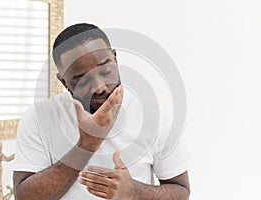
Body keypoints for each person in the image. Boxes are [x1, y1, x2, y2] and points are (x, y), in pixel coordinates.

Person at [12, 23, 190, 200]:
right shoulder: (39, 117)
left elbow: (181, 191)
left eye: (105, 70)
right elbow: (24, 196)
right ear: (64, 82)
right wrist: (88, 143)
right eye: (82, 79)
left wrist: (135, 192)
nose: (99, 88)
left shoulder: (153, 117)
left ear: (115, 58)